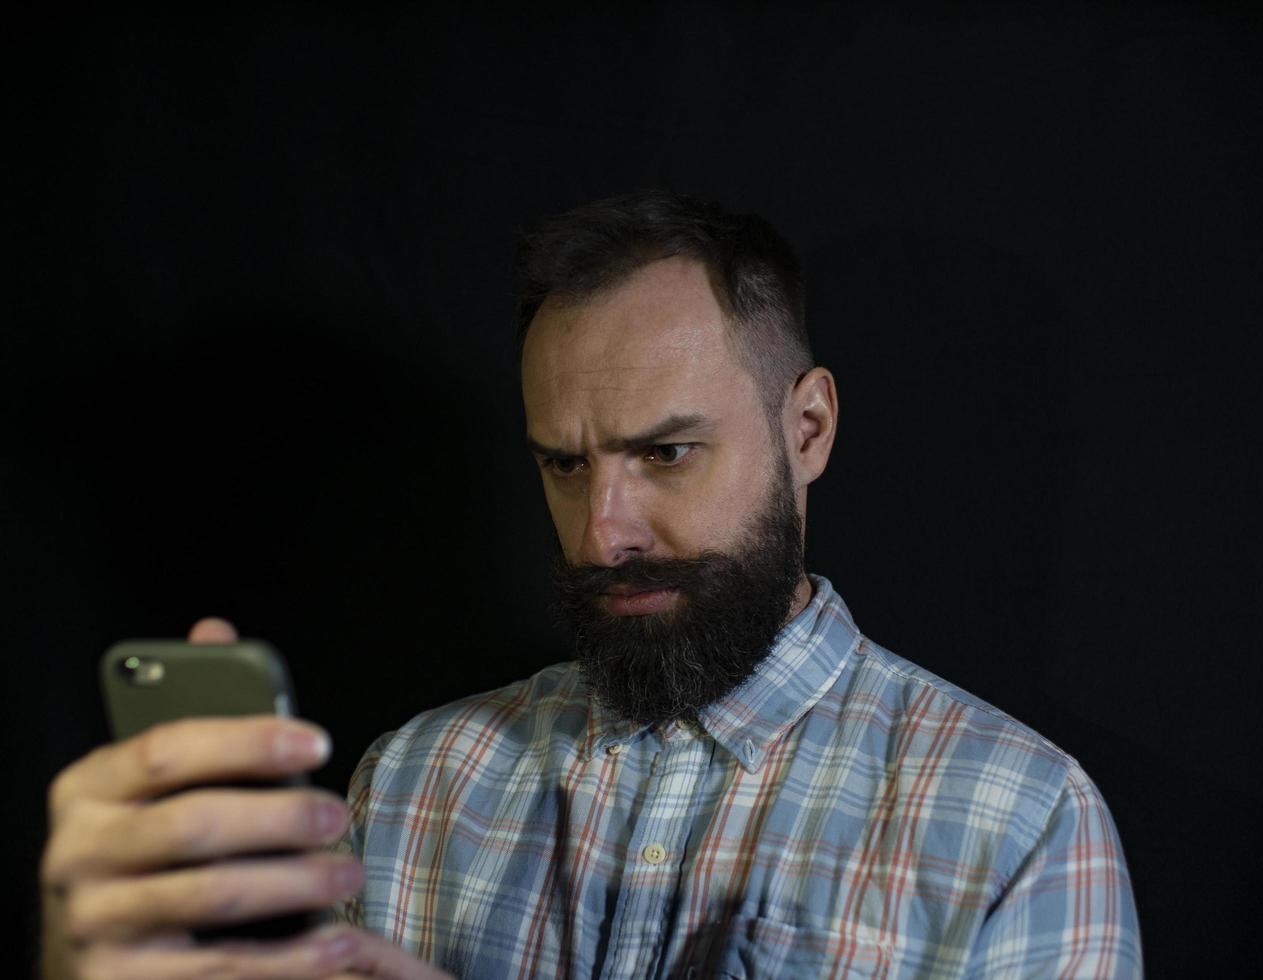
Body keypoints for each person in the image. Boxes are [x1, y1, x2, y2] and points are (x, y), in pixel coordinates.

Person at [41, 191, 1142, 979]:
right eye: (566, 465)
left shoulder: (1019, 822)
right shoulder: (412, 781)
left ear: (807, 427)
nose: (603, 532)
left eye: (665, 453)